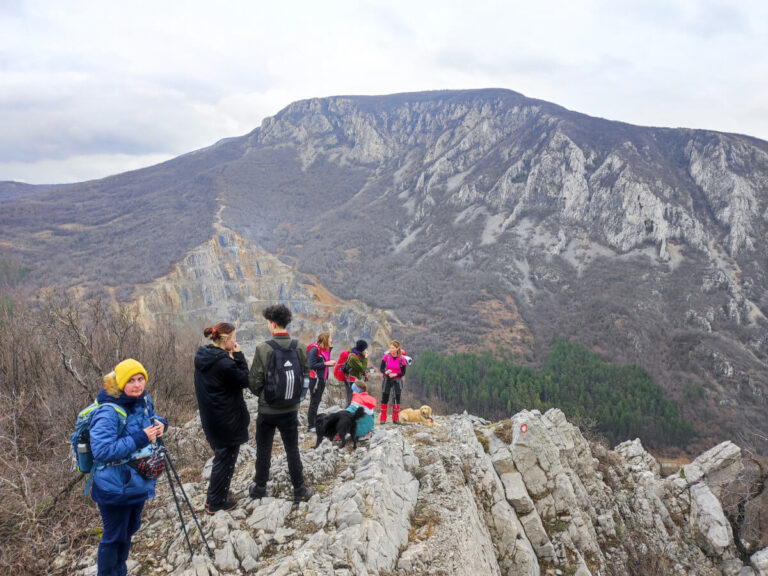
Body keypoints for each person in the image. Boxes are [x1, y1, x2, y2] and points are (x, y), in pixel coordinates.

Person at [89, 359, 167, 576]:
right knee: (114, 537)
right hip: (114, 487)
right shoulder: (109, 412)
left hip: (136, 483)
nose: (137, 384)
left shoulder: (142, 400)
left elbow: (150, 420)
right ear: (121, 384)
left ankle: (119, 571)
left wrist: (162, 424)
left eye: (141, 379)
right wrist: (141, 438)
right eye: (131, 381)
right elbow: (102, 451)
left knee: (129, 530)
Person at [247, 304, 314, 503]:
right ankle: (299, 489)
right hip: (291, 410)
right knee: (292, 448)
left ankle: (259, 488)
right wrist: (296, 399)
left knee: (264, 448)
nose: (268, 325)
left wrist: (266, 396)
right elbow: (306, 378)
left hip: (268, 411)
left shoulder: (263, 348)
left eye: (268, 322)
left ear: (273, 324)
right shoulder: (300, 347)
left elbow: (254, 382)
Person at [194, 322, 250, 514]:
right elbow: (245, 380)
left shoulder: (204, 356)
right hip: (226, 420)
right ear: (225, 340)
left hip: (212, 418)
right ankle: (216, 502)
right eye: (234, 337)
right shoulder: (224, 363)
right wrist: (239, 356)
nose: (235, 341)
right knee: (225, 459)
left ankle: (215, 497)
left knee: (222, 458)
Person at [307, 332, 336, 431]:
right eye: (330, 338)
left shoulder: (325, 350)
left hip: (322, 379)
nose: (331, 340)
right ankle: (310, 426)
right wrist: (327, 363)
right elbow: (312, 365)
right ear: (326, 339)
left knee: (317, 401)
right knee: (314, 402)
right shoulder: (314, 350)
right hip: (315, 381)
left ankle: (313, 423)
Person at [380, 340, 407, 424]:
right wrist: (386, 372)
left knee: (396, 398)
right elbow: (381, 368)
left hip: (397, 380)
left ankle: (395, 419)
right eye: (390, 348)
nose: (391, 350)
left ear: (397, 348)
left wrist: (395, 374)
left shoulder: (402, 359)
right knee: (385, 397)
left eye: (393, 348)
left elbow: (403, 372)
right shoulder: (386, 357)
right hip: (387, 379)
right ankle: (383, 419)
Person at [342, 339, 370, 406]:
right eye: (365, 349)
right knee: (351, 400)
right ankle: (348, 414)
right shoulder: (353, 357)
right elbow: (362, 368)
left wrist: (364, 373)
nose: (366, 351)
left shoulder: (358, 355)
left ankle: (351, 414)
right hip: (350, 380)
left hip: (353, 379)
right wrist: (365, 358)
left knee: (354, 399)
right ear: (362, 349)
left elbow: (359, 368)